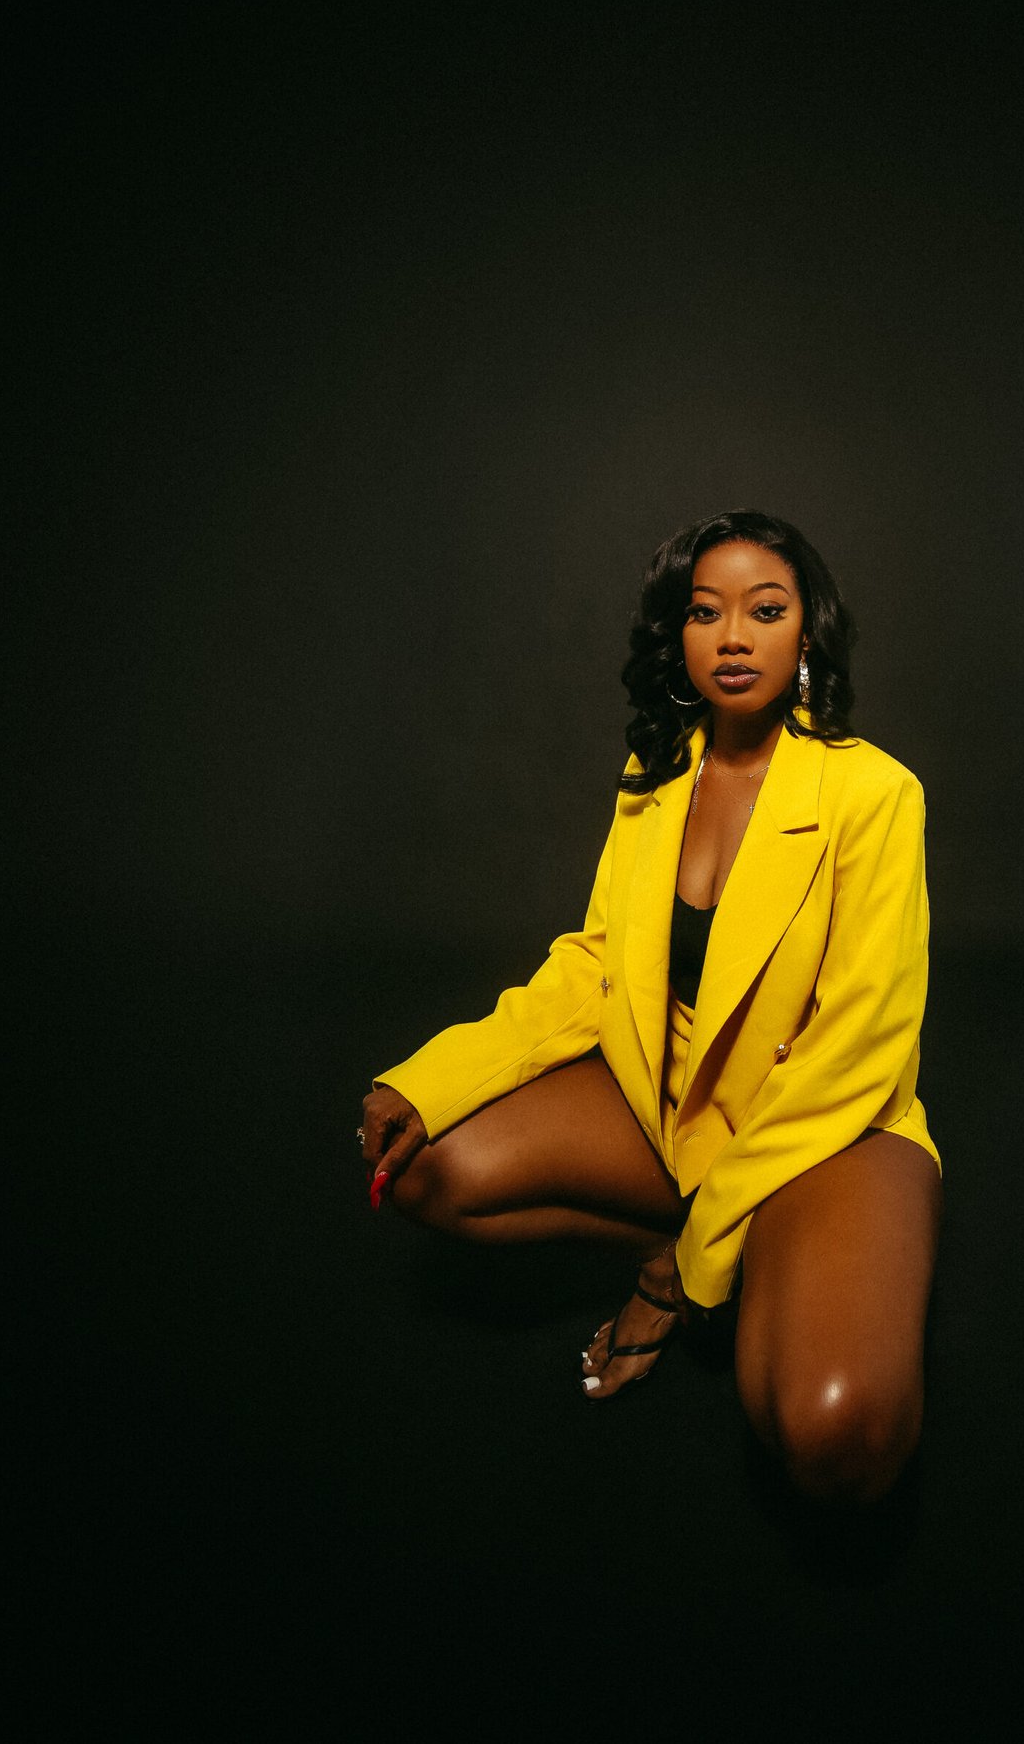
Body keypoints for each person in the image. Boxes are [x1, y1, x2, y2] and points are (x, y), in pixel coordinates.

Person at [358, 509, 941, 1503]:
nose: (733, 636)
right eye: (705, 612)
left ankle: (706, 1257)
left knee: (831, 1428)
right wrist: (429, 1080)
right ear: (678, 634)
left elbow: (859, 1046)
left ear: (808, 630)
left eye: (765, 610)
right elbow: (595, 962)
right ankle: (672, 1242)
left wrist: (696, 1262)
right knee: (426, 1167)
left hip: (822, 1130)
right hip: (673, 1107)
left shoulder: (876, 793)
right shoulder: (656, 772)